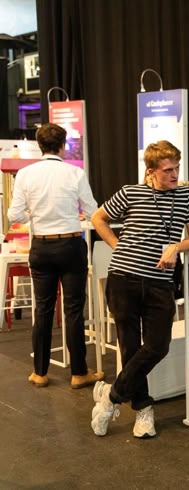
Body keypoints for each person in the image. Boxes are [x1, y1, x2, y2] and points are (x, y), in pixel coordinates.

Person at [89, 140, 189, 438]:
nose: (174, 174)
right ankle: (143, 409)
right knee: (129, 346)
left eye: (177, 168)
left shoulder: (186, 196)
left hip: (159, 282)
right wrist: (117, 245)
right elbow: (98, 218)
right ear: (151, 171)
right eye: (167, 170)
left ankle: (111, 397)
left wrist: (176, 247)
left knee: (157, 345)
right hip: (123, 278)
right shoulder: (131, 192)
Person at [7, 123, 103, 389]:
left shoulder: (25, 174)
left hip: (41, 247)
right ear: (63, 146)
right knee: (73, 311)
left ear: (40, 145)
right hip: (70, 246)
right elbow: (93, 211)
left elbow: (14, 215)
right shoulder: (75, 173)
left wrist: (35, 214)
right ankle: (79, 373)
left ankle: (40, 373)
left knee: (43, 309)